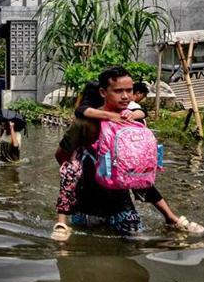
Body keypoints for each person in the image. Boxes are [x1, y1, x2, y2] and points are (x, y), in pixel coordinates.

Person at [71, 80, 204, 234]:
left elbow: (62, 155)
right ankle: (171, 218)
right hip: (119, 191)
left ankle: (171, 218)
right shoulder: (119, 118)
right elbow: (142, 113)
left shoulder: (87, 123)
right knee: (136, 237)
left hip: (91, 198)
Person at [53, 67, 143, 240]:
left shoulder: (131, 121)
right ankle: (62, 220)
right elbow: (61, 154)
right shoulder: (84, 124)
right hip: (88, 201)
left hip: (120, 200)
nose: (124, 96)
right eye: (118, 91)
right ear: (103, 93)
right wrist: (76, 170)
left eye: (128, 91)